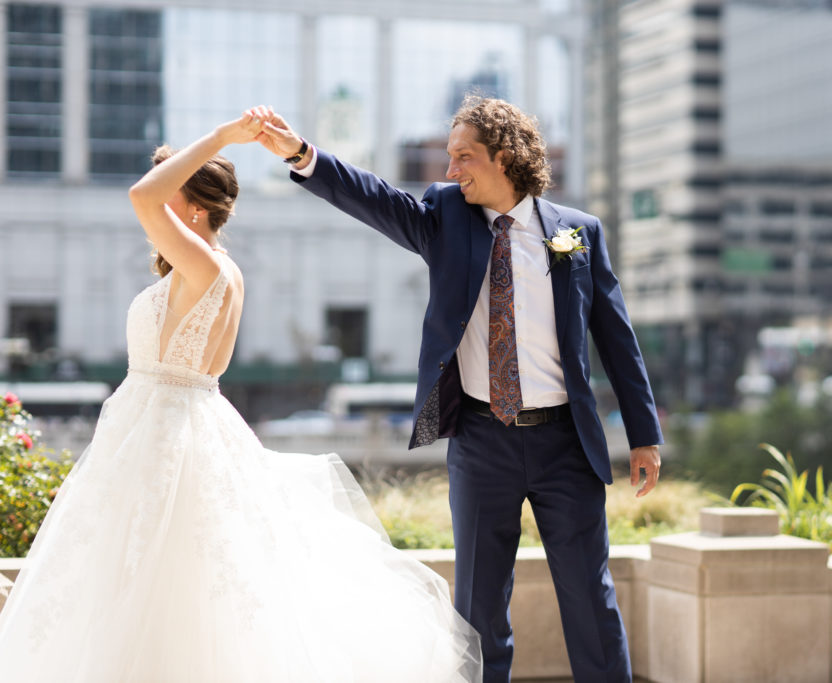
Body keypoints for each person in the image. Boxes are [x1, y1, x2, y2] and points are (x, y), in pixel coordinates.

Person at [0, 114, 482, 683]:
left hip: (165, 434)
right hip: (167, 426)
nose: (161, 198)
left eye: (172, 186)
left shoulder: (206, 266)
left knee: (158, 582)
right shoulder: (211, 268)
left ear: (195, 206)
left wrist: (222, 138)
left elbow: (139, 197)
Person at [250, 96, 664, 682]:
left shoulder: (578, 233)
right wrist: (300, 154)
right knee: (477, 611)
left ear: (504, 158)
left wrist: (644, 435)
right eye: (449, 158)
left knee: (590, 601)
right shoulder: (445, 218)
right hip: (480, 441)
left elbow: (617, 339)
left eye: (463, 157)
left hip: (566, 446)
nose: (450, 170)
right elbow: (376, 199)